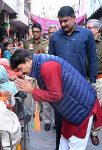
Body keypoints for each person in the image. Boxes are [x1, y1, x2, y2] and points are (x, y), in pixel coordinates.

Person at [10, 49, 102, 150]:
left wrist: (32, 90)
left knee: (75, 144)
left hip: (81, 108)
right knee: (64, 142)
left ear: (28, 60)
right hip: (71, 107)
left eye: (20, 68)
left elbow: (56, 96)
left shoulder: (47, 66)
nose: (22, 73)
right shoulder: (42, 63)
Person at [48, 6, 98, 150]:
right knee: (60, 121)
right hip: (60, 87)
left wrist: (93, 82)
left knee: (78, 120)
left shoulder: (86, 34)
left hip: (80, 87)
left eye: (66, 21)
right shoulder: (55, 37)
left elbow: (93, 59)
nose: (63, 24)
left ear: (74, 18)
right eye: (60, 22)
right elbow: (51, 62)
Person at [86, 19, 102, 145]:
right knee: (83, 106)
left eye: (89, 27)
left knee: (97, 108)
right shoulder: (83, 41)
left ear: (97, 29)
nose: (87, 29)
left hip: (98, 79)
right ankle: (82, 130)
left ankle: (94, 133)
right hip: (83, 78)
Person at [43, 25, 58, 131]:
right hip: (45, 75)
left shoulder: (60, 43)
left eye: (54, 32)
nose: (52, 35)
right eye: (50, 32)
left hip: (57, 76)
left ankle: (55, 122)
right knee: (46, 100)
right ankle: (47, 121)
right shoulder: (44, 44)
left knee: (57, 100)